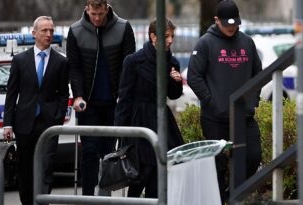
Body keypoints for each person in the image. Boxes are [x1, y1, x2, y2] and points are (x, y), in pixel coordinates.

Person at [187, 0, 262, 204]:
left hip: (244, 117)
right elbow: (194, 76)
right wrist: (211, 101)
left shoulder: (247, 42)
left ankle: (231, 195)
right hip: (215, 118)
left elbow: (258, 74)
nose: (231, 27)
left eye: (234, 23)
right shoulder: (205, 43)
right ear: (216, 20)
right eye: (226, 23)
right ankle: (220, 200)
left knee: (253, 156)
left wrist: (252, 101)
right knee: (218, 166)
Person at [66, 0, 136, 196]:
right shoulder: (76, 31)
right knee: (89, 151)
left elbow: (127, 66)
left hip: (114, 102)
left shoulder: (123, 28)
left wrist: (124, 96)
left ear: (107, 8)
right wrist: (78, 94)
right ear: (87, 9)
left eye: (100, 14)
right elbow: (74, 67)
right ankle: (88, 196)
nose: (96, 19)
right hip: (88, 103)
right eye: (93, 14)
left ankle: (105, 196)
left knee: (109, 154)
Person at [115, 18, 184, 198]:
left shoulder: (172, 62)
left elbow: (173, 95)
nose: (170, 40)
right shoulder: (133, 61)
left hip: (161, 119)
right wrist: (120, 132)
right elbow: (124, 98)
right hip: (140, 120)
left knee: (160, 172)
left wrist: (176, 81)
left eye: (172, 36)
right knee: (142, 172)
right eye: (166, 36)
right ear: (153, 36)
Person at [3, 16, 69, 205]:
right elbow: (11, 93)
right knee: (25, 169)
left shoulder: (61, 62)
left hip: (49, 123)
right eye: (44, 30)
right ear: (34, 33)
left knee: (46, 168)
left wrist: (58, 117)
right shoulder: (20, 60)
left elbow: (64, 94)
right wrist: (7, 123)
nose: (49, 34)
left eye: (51, 30)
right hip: (24, 123)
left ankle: (43, 202)